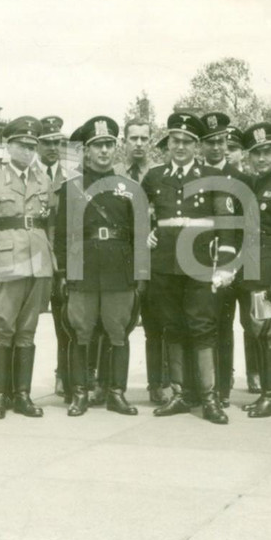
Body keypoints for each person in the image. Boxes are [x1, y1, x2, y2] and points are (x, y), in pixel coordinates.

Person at [143, 112, 238, 424]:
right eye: (175, 140)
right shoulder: (154, 177)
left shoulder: (212, 176)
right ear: (168, 143)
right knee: (172, 327)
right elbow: (142, 216)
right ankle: (181, 394)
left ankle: (209, 398)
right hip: (165, 265)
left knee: (203, 328)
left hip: (200, 264)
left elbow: (226, 224)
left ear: (196, 146)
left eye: (187, 141)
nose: (180, 146)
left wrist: (225, 265)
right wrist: (146, 233)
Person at [55, 116, 141, 416]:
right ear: (87, 151)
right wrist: (64, 273)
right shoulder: (71, 188)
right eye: (97, 145)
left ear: (115, 148)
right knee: (81, 331)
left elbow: (138, 234)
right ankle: (79, 393)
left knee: (118, 331)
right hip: (84, 267)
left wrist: (137, 273)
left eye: (108, 144)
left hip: (119, 269)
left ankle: (116, 393)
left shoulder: (130, 188)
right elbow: (62, 236)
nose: (104, 151)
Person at [0, 117, 55, 419]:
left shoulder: (43, 180)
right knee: (4, 328)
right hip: (7, 260)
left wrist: (52, 262)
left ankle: (22, 394)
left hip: (38, 262)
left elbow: (48, 224)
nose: (27, 151)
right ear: (8, 146)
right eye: (22, 145)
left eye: (32, 146)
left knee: (28, 330)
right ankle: (0, 395)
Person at [237, 123, 271, 417]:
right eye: (256, 153)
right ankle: (265, 394)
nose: (261, 158)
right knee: (257, 332)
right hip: (252, 271)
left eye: (267, 151)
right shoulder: (253, 186)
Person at [200, 111, 255, 405]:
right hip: (199, 263)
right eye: (209, 142)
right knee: (205, 326)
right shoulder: (193, 175)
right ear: (202, 145)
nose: (216, 147)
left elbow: (250, 226)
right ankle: (204, 387)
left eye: (220, 141)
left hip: (235, 264)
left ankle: (222, 389)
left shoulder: (243, 179)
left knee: (227, 326)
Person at [117, 118, 169, 404]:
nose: (138, 144)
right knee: (115, 324)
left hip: (155, 259)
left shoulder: (162, 174)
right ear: (124, 141)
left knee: (157, 325)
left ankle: (158, 383)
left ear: (150, 141)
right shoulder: (113, 174)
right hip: (121, 260)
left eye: (144, 139)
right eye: (133, 138)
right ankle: (110, 385)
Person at [36, 116, 74, 401]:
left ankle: (65, 374)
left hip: (61, 259)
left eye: (57, 143)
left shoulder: (71, 177)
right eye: (47, 142)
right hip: (33, 257)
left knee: (65, 321)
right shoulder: (29, 174)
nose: (52, 148)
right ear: (37, 145)